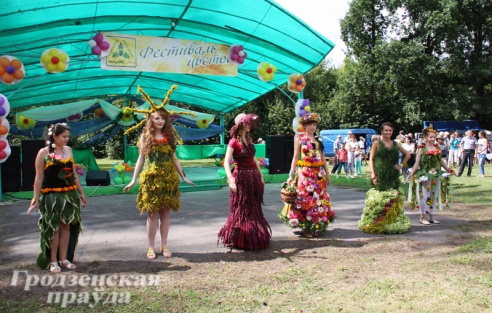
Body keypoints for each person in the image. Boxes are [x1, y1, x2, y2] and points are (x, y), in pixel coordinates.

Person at [124, 85, 195, 259]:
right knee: (152, 214)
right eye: (157, 118)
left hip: (168, 179)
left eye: (162, 118)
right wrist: (133, 180)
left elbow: (175, 159)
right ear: (151, 119)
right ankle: (150, 247)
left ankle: (164, 245)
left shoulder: (169, 137)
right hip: (150, 179)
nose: (160, 121)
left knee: (165, 214)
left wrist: (183, 177)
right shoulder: (145, 137)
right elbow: (140, 159)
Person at [27, 123, 86, 273]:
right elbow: (39, 178)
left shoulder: (68, 150)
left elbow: (73, 175)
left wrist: (81, 193)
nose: (67, 139)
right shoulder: (43, 153)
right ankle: (53, 261)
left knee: (66, 225)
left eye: (68, 136)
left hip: (69, 194)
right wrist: (35, 199)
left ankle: (64, 259)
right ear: (54, 136)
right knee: (54, 228)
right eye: (64, 136)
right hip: (51, 196)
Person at [218, 113, 271, 250]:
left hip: (253, 178)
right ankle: (240, 238)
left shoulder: (249, 139)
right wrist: (231, 179)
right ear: (240, 124)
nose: (250, 126)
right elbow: (226, 162)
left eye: (250, 123)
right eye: (247, 123)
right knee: (242, 208)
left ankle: (253, 236)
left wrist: (260, 176)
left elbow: (254, 159)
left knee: (253, 207)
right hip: (240, 178)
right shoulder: (233, 142)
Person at [280, 112, 335, 237]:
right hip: (305, 173)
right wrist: (291, 174)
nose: (312, 127)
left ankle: (316, 223)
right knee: (305, 198)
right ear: (305, 125)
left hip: (318, 173)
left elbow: (322, 158)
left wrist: (327, 173)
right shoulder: (299, 139)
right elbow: (295, 158)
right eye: (310, 124)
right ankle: (306, 225)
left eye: (314, 125)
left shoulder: (318, 140)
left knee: (318, 198)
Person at [358, 122, 411, 234]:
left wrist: (401, 165)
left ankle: (392, 220)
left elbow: (408, 155)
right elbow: (371, 159)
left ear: (392, 132)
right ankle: (378, 221)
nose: (388, 132)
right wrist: (373, 174)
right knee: (380, 198)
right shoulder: (377, 143)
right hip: (380, 174)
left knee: (393, 197)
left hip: (393, 174)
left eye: (390, 130)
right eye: (386, 130)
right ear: (382, 131)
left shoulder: (396, 144)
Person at [408, 127, 457, 224]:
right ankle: (423, 217)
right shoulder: (422, 148)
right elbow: (417, 163)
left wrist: (448, 169)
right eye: (430, 137)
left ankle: (432, 216)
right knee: (425, 195)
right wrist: (411, 174)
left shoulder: (437, 148)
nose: (432, 139)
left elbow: (440, 161)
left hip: (436, 174)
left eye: (434, 137)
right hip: (425, 174)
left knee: (434, 195)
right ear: (426, 137)